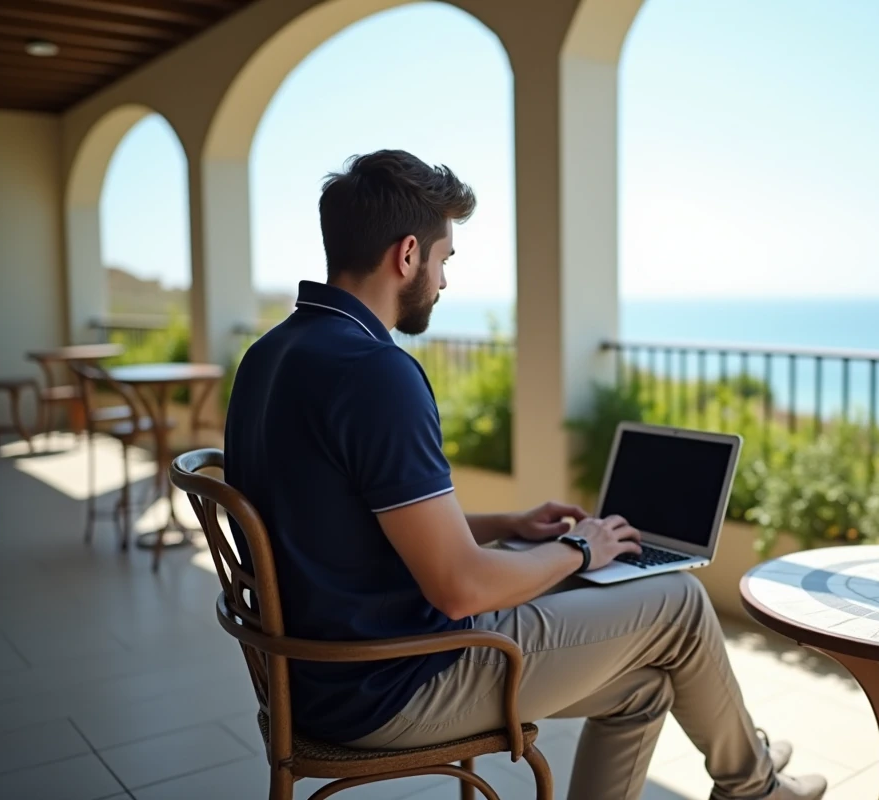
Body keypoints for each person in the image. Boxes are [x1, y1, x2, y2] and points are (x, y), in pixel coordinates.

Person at [224, 149, 827, 800]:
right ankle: (755, 786)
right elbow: (460, 588)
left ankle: (752, 770)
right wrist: (578, 549)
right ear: (407, 255)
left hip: (316, 675)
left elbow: (353, 522)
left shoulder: (271, 355)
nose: (443, 282)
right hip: (392, 682)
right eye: (444, 259)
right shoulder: (375, 372)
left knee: (645, 686)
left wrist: (510, 524)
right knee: (678, 601)